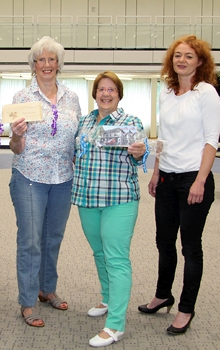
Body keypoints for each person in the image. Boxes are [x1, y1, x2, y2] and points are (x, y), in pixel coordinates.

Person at [138, 35, 220, 336]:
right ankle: (163, 295)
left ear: (199, 61)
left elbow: (212, 140)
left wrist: (200, 180)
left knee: (190, 246)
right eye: (177, 56)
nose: (182, 60)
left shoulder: (205, 92)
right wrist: (156, 171)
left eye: (188, 56)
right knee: (163, 242)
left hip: (192, 179)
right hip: (168, 177)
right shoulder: (166, 93)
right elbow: (164, 138)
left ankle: (186, 308)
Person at [9, 36, 81, 327]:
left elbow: (77, 139)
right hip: (29, 176)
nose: (47, 64)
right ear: (34, 65)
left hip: (63, 177)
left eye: (52, 59)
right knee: (30, 241)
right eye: (42, 60)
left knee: (53, 238)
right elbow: (15, 147)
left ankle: (46, 289)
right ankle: (27, 301)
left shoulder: (72, 98)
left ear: (59, 64)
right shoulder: (22, 98)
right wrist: (16, 134)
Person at [72, 71, 146, 347]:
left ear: (119, 94)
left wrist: (140, 153)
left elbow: (141, 153)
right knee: (99, 251)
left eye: (111, 89)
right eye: (101, 89)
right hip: (87, 198)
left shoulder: (131, 122)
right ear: (95, 94)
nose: (105, 93)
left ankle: (115, 324)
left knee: (116, 257)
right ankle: (107, 297)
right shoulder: (86, 121)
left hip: (119, 198)